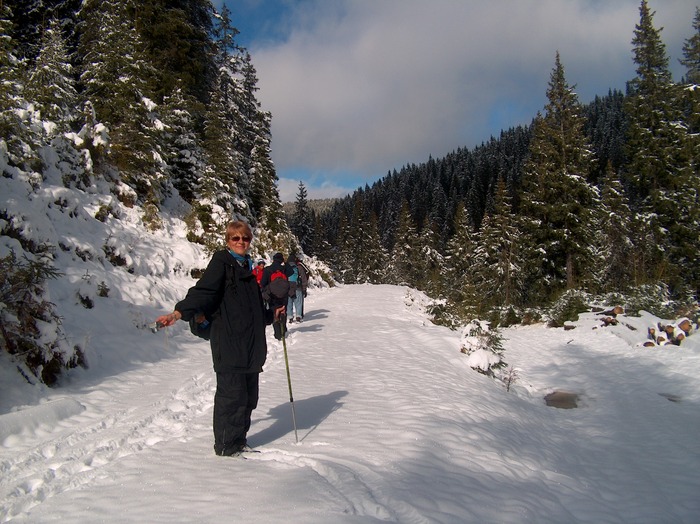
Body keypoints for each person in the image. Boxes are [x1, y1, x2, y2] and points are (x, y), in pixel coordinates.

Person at [155, 221, 284, 457]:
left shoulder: (248, 272)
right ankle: (226, 447)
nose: (241, 242)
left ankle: (239, 441)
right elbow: (203, 292)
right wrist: (178, 312)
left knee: (248, 399)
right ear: (227, 241)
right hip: (230, 346)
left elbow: (253, 312)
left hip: (250, 348)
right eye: (235, 238)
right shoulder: (222, 265)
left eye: (245, 238)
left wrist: (271, 315)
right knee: (231, 399)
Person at [260, 252, 294, 340]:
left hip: (272, 296)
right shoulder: (284, 269)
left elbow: (263, 283)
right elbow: (292, 272)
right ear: (281, 260)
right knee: (283, 311)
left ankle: (278, 333)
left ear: (273, 260)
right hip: (284, 296)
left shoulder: (268, 269)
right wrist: (286, 263)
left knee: (274, 312)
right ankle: (283, 329)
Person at [295, 255, 311, 320]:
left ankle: (290, 315)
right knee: (300, 300)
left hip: (291, 285)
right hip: (300, 285)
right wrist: (305, 287)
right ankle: (300, 314)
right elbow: (307, 272)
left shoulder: (288, 265)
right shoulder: (300, 265)